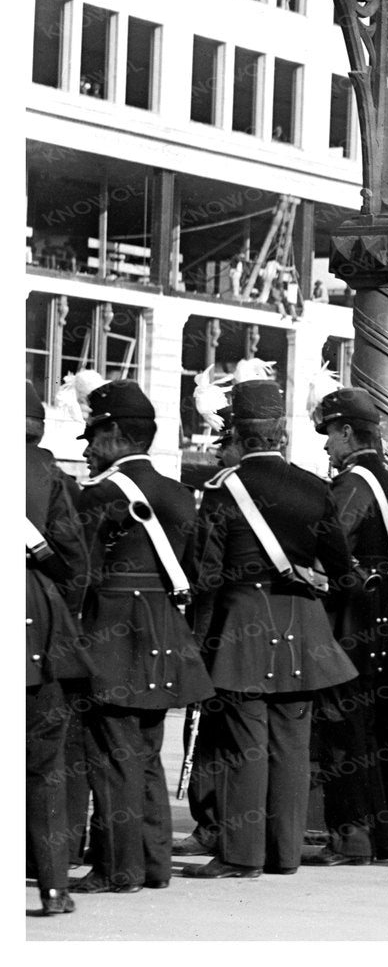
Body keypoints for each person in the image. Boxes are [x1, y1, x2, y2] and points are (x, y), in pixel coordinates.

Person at [186, 377, 358, 878]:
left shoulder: (223, 490)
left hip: (242, 625)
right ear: (280, 432)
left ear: (238, 431)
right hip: (302, 626)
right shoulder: (314, 487)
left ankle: (242, 855)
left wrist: (199, 639)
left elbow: (206, 576)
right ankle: (283, 854)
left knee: (244, 745)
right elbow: (343, 574)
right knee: (292, 746)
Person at [72, 380, 214, 894]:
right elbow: (198, 573)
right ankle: (153, 865)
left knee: (112, 757)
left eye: (93, 436)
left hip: (112, 638)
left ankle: (117, 868)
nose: (88, 449)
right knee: (148, 754)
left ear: (113, 433)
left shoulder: (101, 494)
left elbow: (78, 575)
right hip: (165, 637)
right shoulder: (180, 494)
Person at [307, 386, 388, 866]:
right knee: (374, 733)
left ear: (349, 432)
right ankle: (377, 836)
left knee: (342, 728)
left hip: (352, 618)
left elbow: (328, 548)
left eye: (330, 435)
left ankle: (348, 838)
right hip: (387, 620)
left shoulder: (354, 484)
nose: (327, 447)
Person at [28, 382, 94, 915]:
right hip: (37, 641)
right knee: (44, 768)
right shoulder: (49, 475)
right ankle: (53, 889)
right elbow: (75, 564)